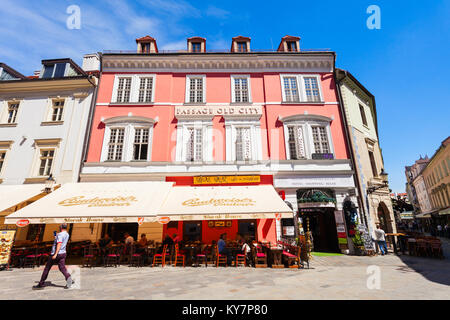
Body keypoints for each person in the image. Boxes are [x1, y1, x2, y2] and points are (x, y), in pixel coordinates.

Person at [33, 224, 72, 290]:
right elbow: (60, 241)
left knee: (47, 268)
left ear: (61, 227)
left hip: (56, 253)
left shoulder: (60, 235)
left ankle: (41, 283)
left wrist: (55, 254)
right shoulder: (67, 234)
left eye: (60, 227)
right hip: (63, 253)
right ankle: (69, 279)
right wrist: (56, 237)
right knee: (62, 268)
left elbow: (59, 244)